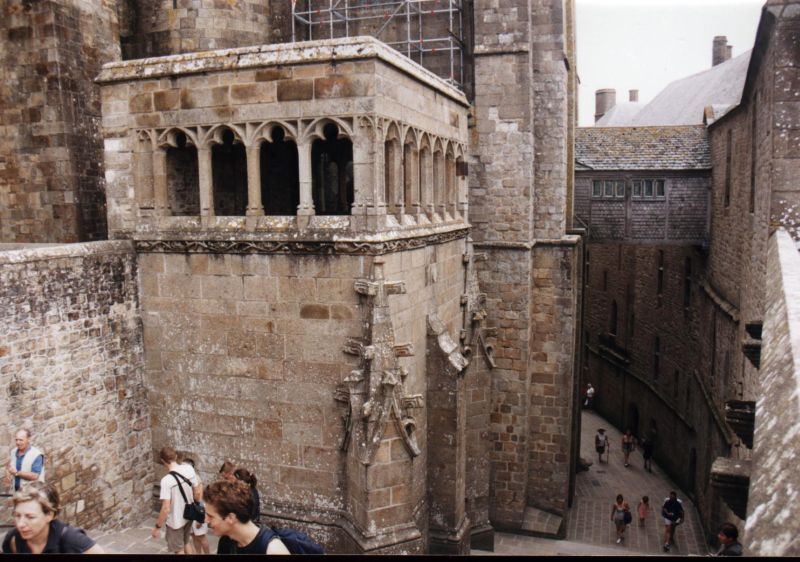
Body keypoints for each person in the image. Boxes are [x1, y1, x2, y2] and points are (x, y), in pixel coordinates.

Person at [2, 482, 104, 554]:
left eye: (30, 517)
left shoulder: (70, 539)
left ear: (49, 515)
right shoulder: (14, 538)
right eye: (17, 515)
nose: (20, 524)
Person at [203, 479, 290, 555]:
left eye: (211, 516)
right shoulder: (226, 542)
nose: (206, 520)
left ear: (230, 518)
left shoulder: (273, 550)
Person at [151, 446, 201, 554]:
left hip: (175, 521)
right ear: (176, 456)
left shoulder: (166, 481)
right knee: (186, 542)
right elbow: (197, 493)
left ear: (163, 461)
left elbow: (165, 508)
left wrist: (157, 527)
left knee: (179, 550)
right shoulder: (189, 469)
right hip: (189, 515)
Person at [182, 458, 210, 555]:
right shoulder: (186, 478)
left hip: (197, 510)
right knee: (194, 536)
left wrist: (200, 519)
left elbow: (199, 498)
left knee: (201, 537)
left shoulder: (195, 478)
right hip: (191, 511)